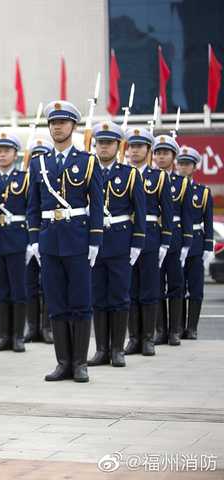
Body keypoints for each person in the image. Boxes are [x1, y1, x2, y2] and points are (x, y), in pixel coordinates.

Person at [26, 100, 103, 383]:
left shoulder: (87, 161)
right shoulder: (39, 163)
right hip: (49, 239)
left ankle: (80, 363)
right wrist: (34, 238)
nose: (57, 127)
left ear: (73, 126)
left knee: (80, 301)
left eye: (62, 122)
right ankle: (63, 362)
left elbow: (96, 204)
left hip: (78, 237)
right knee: (56, 302)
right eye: (53, 123)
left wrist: (95, 239)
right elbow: (32, 207)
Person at [87, 122, 145, 368]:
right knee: (98, 296)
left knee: (120, 296)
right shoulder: (87, 171)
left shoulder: (130, 174)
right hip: (95, 243)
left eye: (109, 143)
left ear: (118, 146)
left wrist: (137, 242)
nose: (104, 147)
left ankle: (117, 349)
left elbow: (140, 212)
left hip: (121, 240)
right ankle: (101, 349)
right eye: (100, 142)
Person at [125, 134, 174, 357]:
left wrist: (165, 242)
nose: (134, 151)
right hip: (124, 236)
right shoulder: (122, 174)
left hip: (150, 237)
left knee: (149, 289)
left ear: (148, 150)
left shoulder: (159, 178)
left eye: (139, 147)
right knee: (129, 290)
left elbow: (168, 213)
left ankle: (147, 338)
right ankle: (133, 338)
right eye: (131, 147)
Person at [0, 131, 29, 353]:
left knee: (18, 288)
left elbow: (32, 210)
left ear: (16, 154)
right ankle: (4, 335)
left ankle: (18, 336)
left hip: (17, 238)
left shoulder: (24, 179)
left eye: (7, 151)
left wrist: (33, 241)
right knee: (0, 288)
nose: (2, 155)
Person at [152, 130, 193, 346]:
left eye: (165, 153)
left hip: (175, 239)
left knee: (176, 284)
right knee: (156, 285)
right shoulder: (147, 178)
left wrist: (187, 243)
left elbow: (187, 215)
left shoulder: (182, 183)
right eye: (157, 152)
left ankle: (175, 331)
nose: (161, 157)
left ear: (173, 156)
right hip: (154, 236)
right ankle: (160, 330)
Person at [176, 146, 214, 339]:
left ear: (194, 167)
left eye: (187, 164)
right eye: (181, 164)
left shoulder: (203, 192)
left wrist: (208, 246)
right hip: (177, 242)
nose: (183, 168)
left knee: (196, 288)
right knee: (178, 286)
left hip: (196, 246)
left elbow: (208, 221)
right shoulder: (171, 188)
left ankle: (192, 327)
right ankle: (179, 326)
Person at [23, 139, 54, 344]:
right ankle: (32, 327)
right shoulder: (21, 180)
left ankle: (47, 327)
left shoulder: (49, 179)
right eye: (34, 156)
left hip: (47, 234)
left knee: (48, 285)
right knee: (29, 285)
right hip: (26, 239)